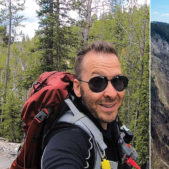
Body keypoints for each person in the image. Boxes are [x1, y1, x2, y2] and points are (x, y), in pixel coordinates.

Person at [41, 41, 132, 169]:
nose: (111, 93)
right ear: (77, 88)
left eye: (118, 81)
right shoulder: (68, 138)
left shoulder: (107, 122)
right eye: (98, 83)